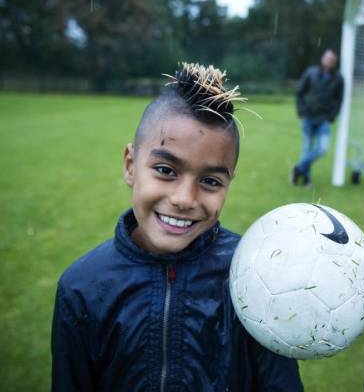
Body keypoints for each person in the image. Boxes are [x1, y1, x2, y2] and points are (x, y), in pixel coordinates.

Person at [51, 63, 304, 392]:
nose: (185, 199)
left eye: (210, 181)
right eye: (166, 170)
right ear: (131, 165)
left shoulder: (255, 279)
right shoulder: (81, 287)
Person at [292, 49, 344, 186]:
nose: (329, 60)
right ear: (322, 58)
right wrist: (301, 112)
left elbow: (339, 100)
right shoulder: (311, 73)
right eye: (327, 57)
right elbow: (299, 93)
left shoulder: (338, 79)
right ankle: (306, 180)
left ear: (335, 62)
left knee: (322, 149)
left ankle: (298, 169)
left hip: (324, 120)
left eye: (332, 59)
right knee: (307, 149)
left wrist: (331, 116)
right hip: (308, 117)